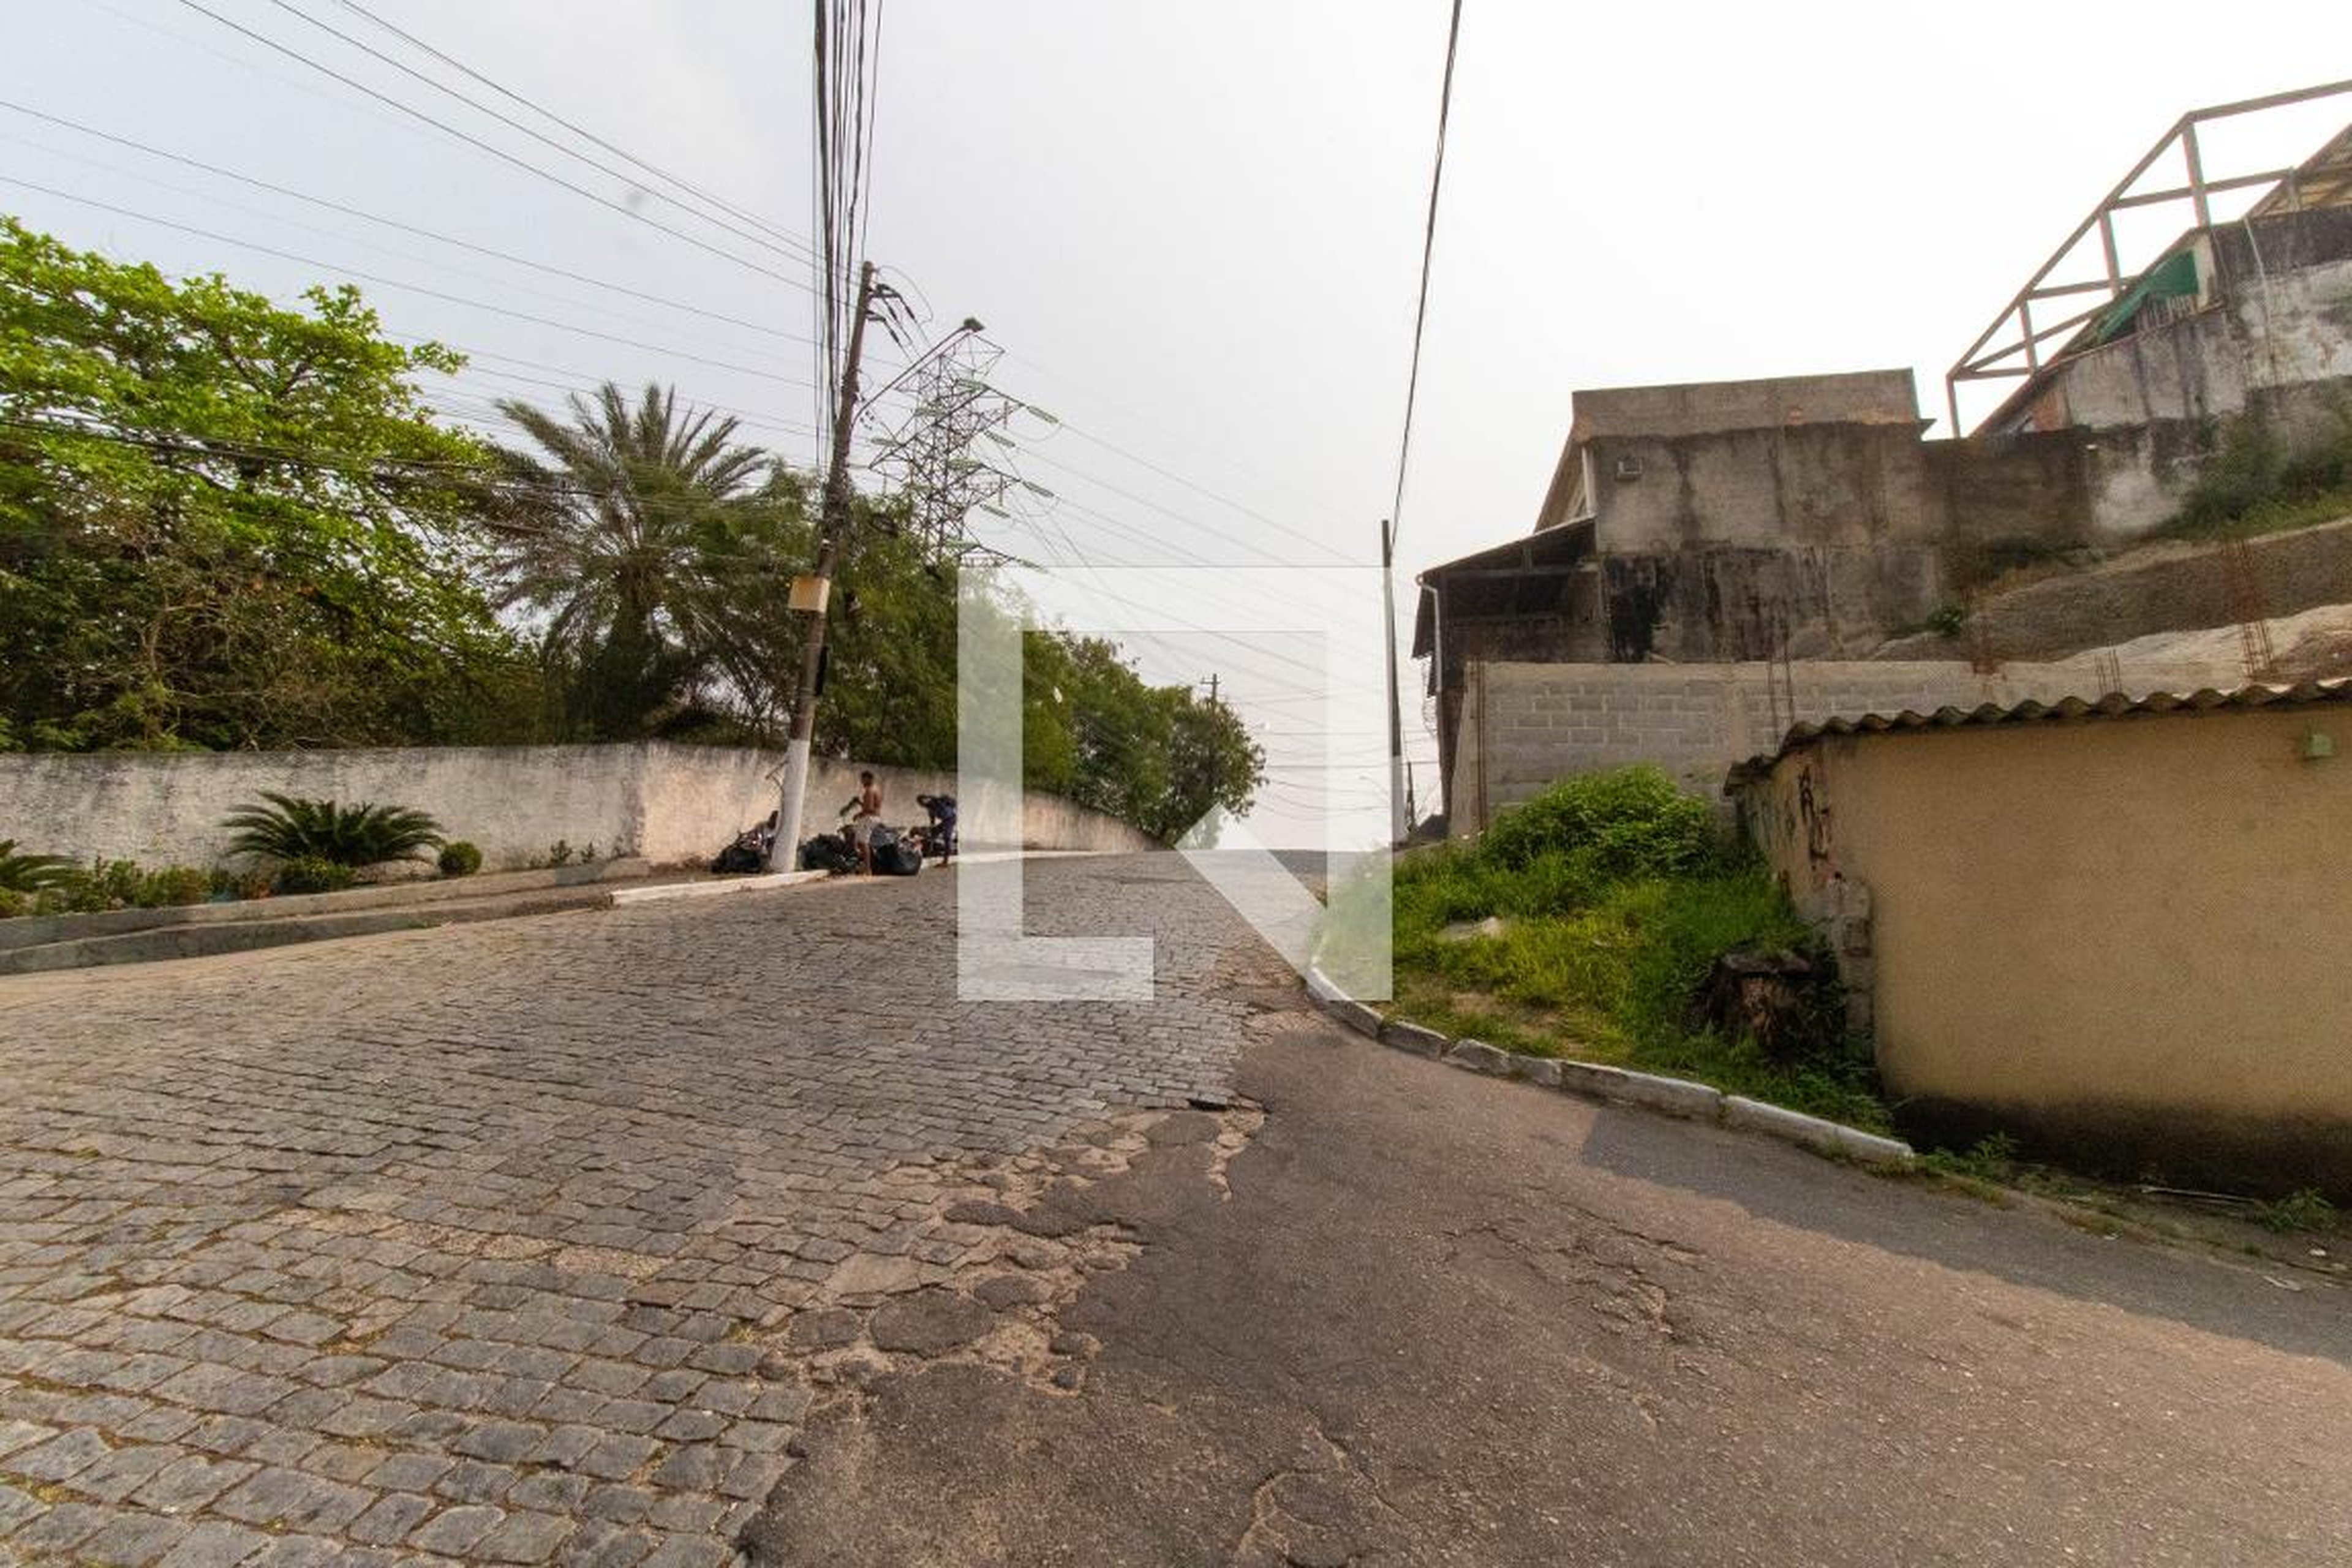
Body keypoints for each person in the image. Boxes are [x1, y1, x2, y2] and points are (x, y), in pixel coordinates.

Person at [843, 770, 884, 875]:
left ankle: (867, 869)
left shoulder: (869, 791)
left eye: (863, 779)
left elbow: (869, 809)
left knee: (863, 842)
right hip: (874, 817)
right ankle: (864, 865)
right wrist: (860, 803)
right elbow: (870, 806)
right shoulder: (876, 789)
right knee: (859, 841)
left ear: (868, 778)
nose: (862, 781)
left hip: (869, 818)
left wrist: (858, 815)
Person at [917, 793, 957, 866]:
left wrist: (930, 797)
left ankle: (945, 862)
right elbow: (932, 821)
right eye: (922, 803)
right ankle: (929, 853)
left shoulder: (938, 802)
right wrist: (931, 829)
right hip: (945, 821)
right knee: (933, 833)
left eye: (925, 800)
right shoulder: (930, 809)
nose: (924, 803)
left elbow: (938, 800)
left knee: (947, 838)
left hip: (951, 819)